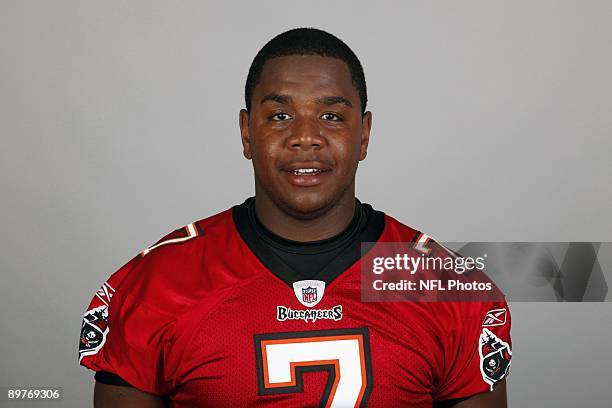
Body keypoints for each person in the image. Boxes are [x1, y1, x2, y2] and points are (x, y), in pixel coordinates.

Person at [79, 28, 512, 407]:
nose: (305, 137)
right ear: (247, 133)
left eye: (331, 116)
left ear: (364, 134)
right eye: (281, 115)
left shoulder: (449, 290)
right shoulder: (154, 285)